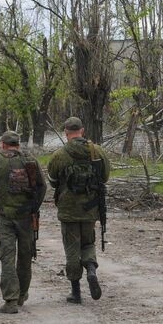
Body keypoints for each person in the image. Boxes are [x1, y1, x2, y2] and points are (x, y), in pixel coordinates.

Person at [0, 131, 46, 313]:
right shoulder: (30, 160)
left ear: (3, 144)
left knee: (7, 257)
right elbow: (42, 186)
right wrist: (33, 208)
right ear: (18, 145)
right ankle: (22, 294)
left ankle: (11, 300)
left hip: (5, 217)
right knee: (25, 256)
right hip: (26, 217)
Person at [47, 117, 110, 304]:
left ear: (66, 133)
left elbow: (52, 180)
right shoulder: (96, 151)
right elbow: (105, 177)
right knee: (88, 243)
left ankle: (75, 292)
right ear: (82, 130)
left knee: (72, 248)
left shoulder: (60, 155)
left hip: (68, 210)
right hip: (90, 208)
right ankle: (91, 269)